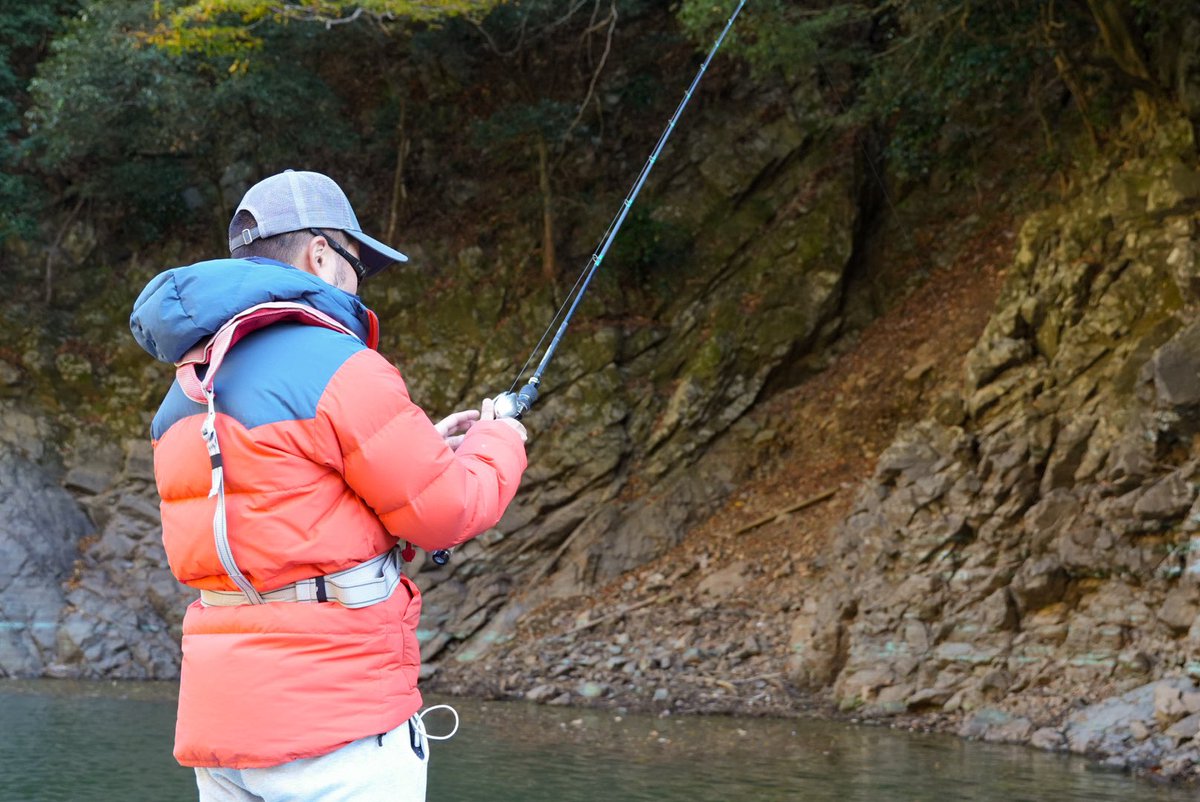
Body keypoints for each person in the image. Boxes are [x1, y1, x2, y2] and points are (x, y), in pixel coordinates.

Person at [129, 169, 528, 801]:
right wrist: (500, 437)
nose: (357, 282)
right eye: (354, 263)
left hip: (224, 731)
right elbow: (448, 513)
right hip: (337, 722)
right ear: (320, 253)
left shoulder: (182, 394)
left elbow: (285, 512)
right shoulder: (339, 363)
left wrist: (427, 445)